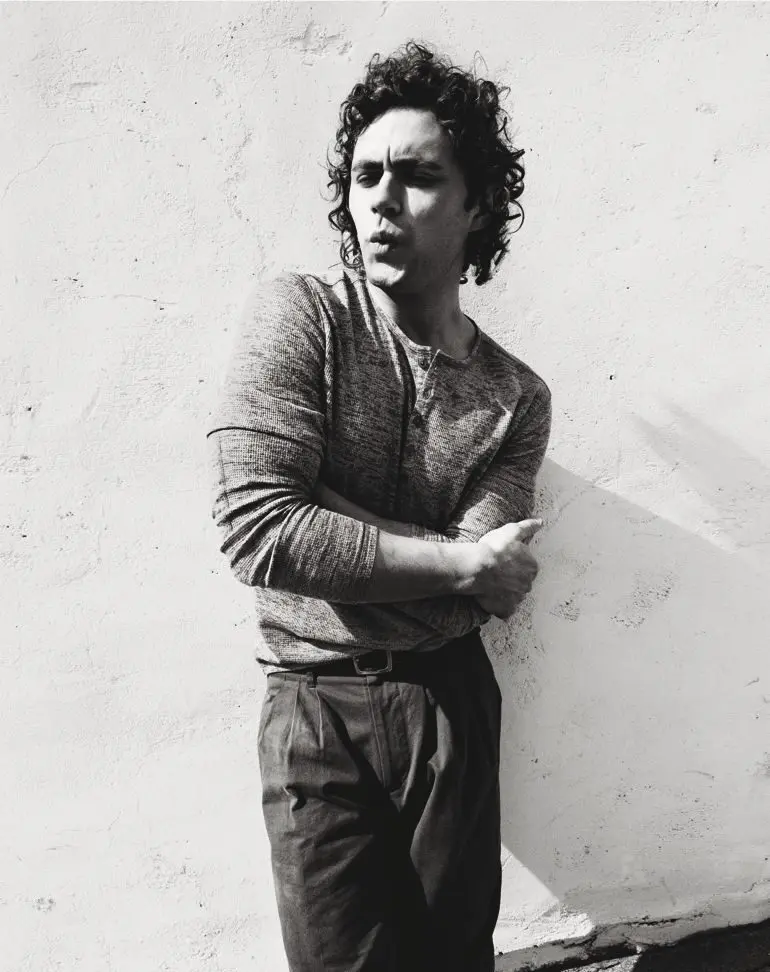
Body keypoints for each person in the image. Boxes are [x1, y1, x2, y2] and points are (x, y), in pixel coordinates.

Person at [208, 41, 551, 972]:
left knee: (455, 958)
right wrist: (455, 563)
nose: (381, 199)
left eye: (417, 176)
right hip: (314, 707)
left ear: (478, 204)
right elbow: (257, 529)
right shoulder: (303, 316)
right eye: (365, 175)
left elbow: (485, 589)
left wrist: (323, 505)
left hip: (449, 702)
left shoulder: (516, 396)